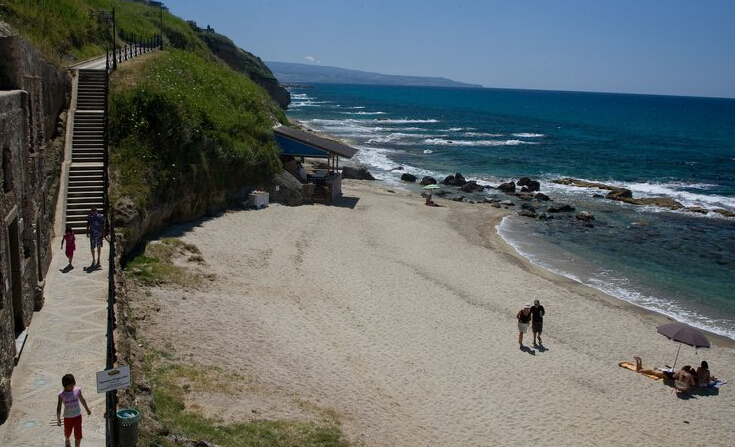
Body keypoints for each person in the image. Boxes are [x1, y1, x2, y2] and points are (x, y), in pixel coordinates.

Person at [57, 373, 92, 447]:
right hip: (68, 417)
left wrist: (87, 409)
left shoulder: (77, 390)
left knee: (78, 435)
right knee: (67, 432)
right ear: (65, 386)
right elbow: (59, 407)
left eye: (73, 384)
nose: (72, 386)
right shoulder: (61, 395)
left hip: (77, 416)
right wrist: (58, 418)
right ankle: (67, 439)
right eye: (70, 385)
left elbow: (82, 400)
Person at [633, 356, 697, 391]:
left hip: (667, 375)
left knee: (648, 371)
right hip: (668, 376)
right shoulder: (689, 375)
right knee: (648, 371)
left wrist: (675, 374)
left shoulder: (681, 371)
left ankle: (638, 360)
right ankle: (640, 362)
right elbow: (693, 384)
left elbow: (674, 376)